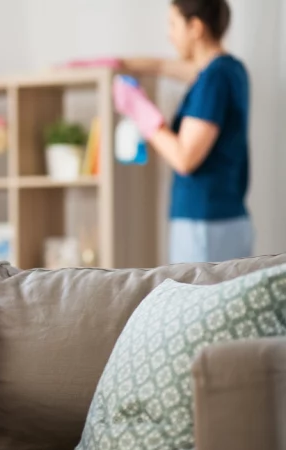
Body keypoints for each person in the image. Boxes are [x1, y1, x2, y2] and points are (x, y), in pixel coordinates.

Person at [73, 0, 252, 263]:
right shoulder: (229, 69)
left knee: (194, 303)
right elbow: (162, 66)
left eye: (173, 24)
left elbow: (185, 158)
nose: (169, 35)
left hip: (205, 222)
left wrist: (140, 110)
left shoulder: (215, 78)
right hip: (218, 220)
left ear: (196, 28)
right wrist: (117, 63)